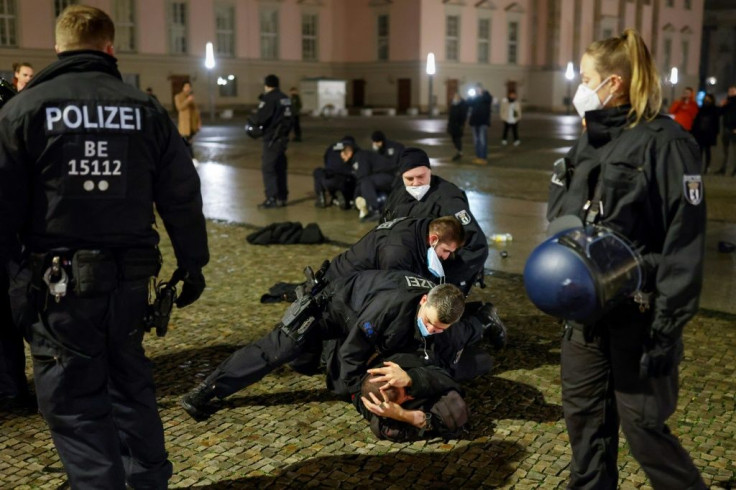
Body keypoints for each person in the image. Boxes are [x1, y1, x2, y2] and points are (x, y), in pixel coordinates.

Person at [0, 5, 210, 488]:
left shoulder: (24, 109)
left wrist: (14, 275)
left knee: (74, 401)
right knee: (129, 383)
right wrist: (193, 264)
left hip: (57, 285)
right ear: (110, 47)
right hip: (130, 281)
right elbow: (182, 194)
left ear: (57, 47)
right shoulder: (146, 109)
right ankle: (148, 480)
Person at [546, 29, 706, 489]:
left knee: (644, 430)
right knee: (585, 426)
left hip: (639, 315)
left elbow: (684, 245)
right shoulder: (589, 140)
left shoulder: (668, 144)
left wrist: (665, 328)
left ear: (613, 83)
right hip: (585, 317)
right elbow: (562, 217)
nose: (580, 86)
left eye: (585, 77)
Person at [181, 270, 466, 421]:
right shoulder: (387, 307)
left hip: (367, 316)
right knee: (279, 350)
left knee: (308, 365)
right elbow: (353, 351)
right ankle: (207, 390)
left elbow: (446, 370)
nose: (431, 330)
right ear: (423, 301)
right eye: (429, 323)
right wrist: (356, 394)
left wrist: (414, 377)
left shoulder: (447, 325)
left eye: (440, 328)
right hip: (335, 307)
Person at [382, 148, 489, 295]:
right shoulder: (398, 194)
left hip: (441, 273)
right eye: (409, 179)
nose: (416, 183)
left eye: (421, 176)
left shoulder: (448, 199)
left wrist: (443, 276)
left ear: (429, 171)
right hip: (406, 268)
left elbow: (477, 245)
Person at [357, 354, 469, 442]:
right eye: (405, 398)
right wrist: (403, 415)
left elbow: (449, 381)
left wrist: (412, 379)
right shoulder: (379, 416)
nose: (410, 396)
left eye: (406, 389)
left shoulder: (408, 361)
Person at [253, 74, 293, 209]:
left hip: (271, 139)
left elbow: (260, 118)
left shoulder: (269, 98)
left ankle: (272, 198)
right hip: (283, 139)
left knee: (268, 169)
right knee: (280, 168)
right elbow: (291, 118)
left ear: (267, 85)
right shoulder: (286, 98)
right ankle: (282, 197)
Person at [342, 139, 395, 222]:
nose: (341, 156)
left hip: (390, 177)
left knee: (365, 182)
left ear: (349, 152)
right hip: (385, 176)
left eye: (342, 153)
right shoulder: (357, 158)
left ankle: (374, 210)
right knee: (365, 182)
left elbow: (363, 177)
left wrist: (356, 196)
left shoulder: (360, 157)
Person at [313, 136, 357, 209]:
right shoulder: (352, 149)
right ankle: (342, 195)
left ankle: (321, 197)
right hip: (342, 180)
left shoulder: (332, 147)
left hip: (327, 179)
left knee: (317, 172)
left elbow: (326, 160)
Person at [691, 93, 720, 173]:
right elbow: (696, 121)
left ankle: (706, 167)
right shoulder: (701, 109)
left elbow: (716, 123)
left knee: (707, 151)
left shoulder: (714, 110)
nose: (706, 100)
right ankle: (699, 167)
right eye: (706, 99)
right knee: (699, 151)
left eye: (708, 99)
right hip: (700, 133)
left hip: (709, 133)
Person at [174, 81, 201, 159]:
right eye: (186, 87)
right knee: (187, 141)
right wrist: (188, 100)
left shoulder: (191, 97)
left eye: (189, 87)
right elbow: (179, 107)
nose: (187, 89)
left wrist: (199, 122)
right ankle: (191, 158)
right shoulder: (178, 96)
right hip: (185, 124)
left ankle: (188, 158)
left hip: (192, 124)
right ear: (183, 88)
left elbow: (195, 110)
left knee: (188, 141)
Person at [468, 83, 492, 164]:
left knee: (482, 140)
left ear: (482, 88)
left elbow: (488, 100)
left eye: (478, 88)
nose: (477, 90)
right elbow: (469, 104)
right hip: (475, 122)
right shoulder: (475, 97)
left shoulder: (486, 96)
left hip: (483, 122)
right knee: (476, 141)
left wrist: (481, 94)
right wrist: (471, 96)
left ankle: (483, 157)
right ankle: (478, 156)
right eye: (476, 89)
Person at [715, 85, 736, 176]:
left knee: (734, 151)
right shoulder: (727, 102)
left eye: (733, 91)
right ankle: (724, 168)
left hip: (734, 128)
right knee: (725, 150)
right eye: (730, 91)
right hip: (726, 128)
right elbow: (719, 114)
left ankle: (733, 170)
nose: (731, 92)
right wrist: (721, 106)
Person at [447, 92, 468, 161]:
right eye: (454, 96)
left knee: (457, 138)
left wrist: (461, 124)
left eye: (456, 96)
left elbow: (463, 115)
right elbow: (451, 115)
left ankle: (459, 152)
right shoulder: (453, 104)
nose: (455, 97)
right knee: (454, 138)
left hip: (458, 125)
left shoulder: (462, 105)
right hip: (452, 125)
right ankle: (458, 151)